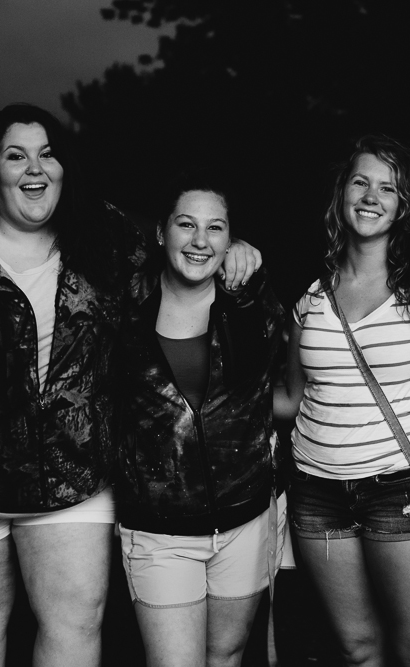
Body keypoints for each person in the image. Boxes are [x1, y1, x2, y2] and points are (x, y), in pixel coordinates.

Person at [0, 104, 261, 667]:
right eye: (16, 155)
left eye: (48, 153)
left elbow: (185, 258)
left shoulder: (105, 239)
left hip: (72, 479)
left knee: (74, 623)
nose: (35, 168)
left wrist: (236, 250)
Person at [274, 135, 410, 667]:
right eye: (361, 181)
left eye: (388, 187)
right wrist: (207, 391)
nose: (371, 195)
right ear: (342, 193)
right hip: (315, 490)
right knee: (356, 648)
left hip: (399, 486)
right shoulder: (311, 295)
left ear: (404, 205)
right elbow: (290, 398)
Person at [115, 183, 285, 667]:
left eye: (216, 228)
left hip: (246, 522)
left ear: (231, 241)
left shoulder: (251, 302)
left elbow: (276, 382)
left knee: (227, 656)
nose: (200, 240)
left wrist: (246, 284)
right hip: (159, 532)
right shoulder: (124, 306)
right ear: (160, 232)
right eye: (186, 224)